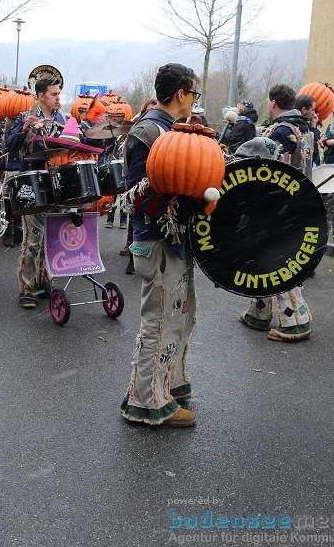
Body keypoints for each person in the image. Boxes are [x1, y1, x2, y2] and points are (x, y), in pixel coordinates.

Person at [119, 63, 202, 428]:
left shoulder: (173, 130)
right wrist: (184, 197)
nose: (195, 101)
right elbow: (136, 195)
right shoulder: (147, 133)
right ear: (181, 94)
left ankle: (169, 383)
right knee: (159, 319)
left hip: (175, 240)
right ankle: (146, 400)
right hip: (156, 240)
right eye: (194, 94)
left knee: (181, 315)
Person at [238, 85, 318, 342]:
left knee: (280, 261)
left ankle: (296, 320)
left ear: (272, 102)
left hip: (278, 206)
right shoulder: (305, 129)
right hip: (299, 202)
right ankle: (259, 313)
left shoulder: (281, 131)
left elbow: (267, 171)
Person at [5, 75, 66, 308]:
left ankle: (45, 278)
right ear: (41, 96)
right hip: (31, 184)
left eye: (59, 93)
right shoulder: (24, 116)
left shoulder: (63, 118)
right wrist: (24, 129)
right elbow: (9, 146)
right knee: (32, 239)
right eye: (53, 94)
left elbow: (76, 143)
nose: (58, 97)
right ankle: (27, 287)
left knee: (52, 237)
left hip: (56, 184)